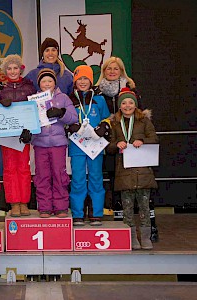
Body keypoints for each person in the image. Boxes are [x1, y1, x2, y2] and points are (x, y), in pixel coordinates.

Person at [21, 69, 77, 218]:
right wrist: (27, 132)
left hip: (58, 143)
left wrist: (61, 113)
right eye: (43, 81)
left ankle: (61, 207)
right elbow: (28, 120)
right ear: (39, 83)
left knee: (60, 175)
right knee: (42, 176)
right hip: (40, 143)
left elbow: (73, 118)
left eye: (50, 81)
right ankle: (44, 207)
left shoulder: (63, 98)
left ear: (55, 82)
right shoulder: (33, 100)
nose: (47, 84)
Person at [107, 88, 158, 250]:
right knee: (127, 208)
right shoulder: (115, 123)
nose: (127, 105)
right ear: (119, 106)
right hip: (124, 173)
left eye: (130, 102)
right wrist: (117, 145)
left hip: (143, 172)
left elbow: (154, 138)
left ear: (135, 105)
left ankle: (145, 237)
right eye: (124, 103)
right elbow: (108, 147)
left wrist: (142, 140)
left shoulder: (144, 121)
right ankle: (131, 238)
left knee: (144, 207)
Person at [95, 56, 142, 214]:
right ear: (104, 71)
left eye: (116, 68)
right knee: (112, 175)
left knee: (132, 176)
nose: (112, 71)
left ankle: (132, 211)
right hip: (109, 141)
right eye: (109, 68)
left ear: (122, 71)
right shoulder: (97, 91)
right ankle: (116, 210)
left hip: (129, 139)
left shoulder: (130, 88)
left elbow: (140, 113)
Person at [66, 65, 110, 226]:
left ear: (91, 81)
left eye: (86, 78)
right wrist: (70, 126)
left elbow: (108, 118)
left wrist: (104, 127)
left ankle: (96, 213)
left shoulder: (99, 99)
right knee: (77, 179)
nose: (82, 82)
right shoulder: (69, 99)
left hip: (95, 145)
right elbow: (64, 118)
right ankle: (78, 213)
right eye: (79, 79)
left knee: (96, 178)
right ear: (75, 81)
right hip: (77, 146)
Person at [0, 54, 36, 217]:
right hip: (7, 136)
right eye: (9, 68)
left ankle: (24, 202)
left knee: (24, 168)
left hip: (23, 136)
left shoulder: (29, 87)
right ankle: (13, 203)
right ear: (5, 71)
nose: (12, 71)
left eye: (15, 68)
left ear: (21, 69)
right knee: (10, 169)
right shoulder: (0, 88)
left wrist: (30, 130)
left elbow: (34, 108)